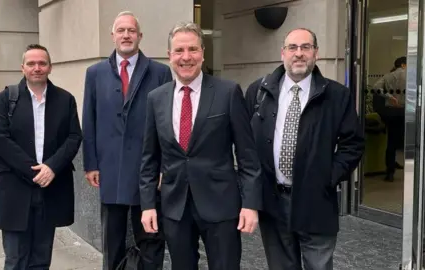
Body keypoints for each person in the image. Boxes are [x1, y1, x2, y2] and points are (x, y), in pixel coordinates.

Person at [140, 21, 262, 270]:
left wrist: (250, 204)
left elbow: (247, 155)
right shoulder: (156, 98)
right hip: (175, 207)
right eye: (179, 51)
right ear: (170, 56)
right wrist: (148, 205)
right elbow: (148, 159)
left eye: (193, 50)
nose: (186, 57)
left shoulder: (228, 92)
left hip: (221, 205)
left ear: (203, 53)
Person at [245, 28, 364, 270]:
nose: (299, 54)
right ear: (283, 53)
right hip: (273, 203)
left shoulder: (337, 95)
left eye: (305, 47)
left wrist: (327, 178)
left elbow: (353, 144)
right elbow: (245, 143)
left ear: (316, 53)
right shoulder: (259, 91)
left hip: (316, 202)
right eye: (292, 48)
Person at [81, 11, 172, 270]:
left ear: (140, 36)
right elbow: (89, 120)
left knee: (151, 237)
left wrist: (164, 167)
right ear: (112, 36)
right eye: (121, 30)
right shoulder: (94, 73)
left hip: (148, 171)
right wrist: (91, 164)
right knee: (112, 240)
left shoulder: (160, 72)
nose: (126, 35)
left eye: (131, 30)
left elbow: (167, 126)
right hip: (110, 170)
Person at [0, 44, 82, 269]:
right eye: (31, 63)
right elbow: (0, 140)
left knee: (41, 259)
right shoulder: (5, 99)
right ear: (22, 68)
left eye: (42, 63)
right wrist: (33, 169)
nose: (37, 68)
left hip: (50, 189)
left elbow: (73, 137)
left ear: (50, 67)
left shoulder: (65, 99)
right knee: (15, 259)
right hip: (15, 189)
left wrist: (51, 167)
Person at [372, 56, 406, 181]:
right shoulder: (409, 75)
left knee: (391, 141)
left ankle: (390, 171)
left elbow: (376, 88)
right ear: (403, 65)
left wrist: (388, 96)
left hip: (392, 112)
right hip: (406, 111)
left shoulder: (388, 76)